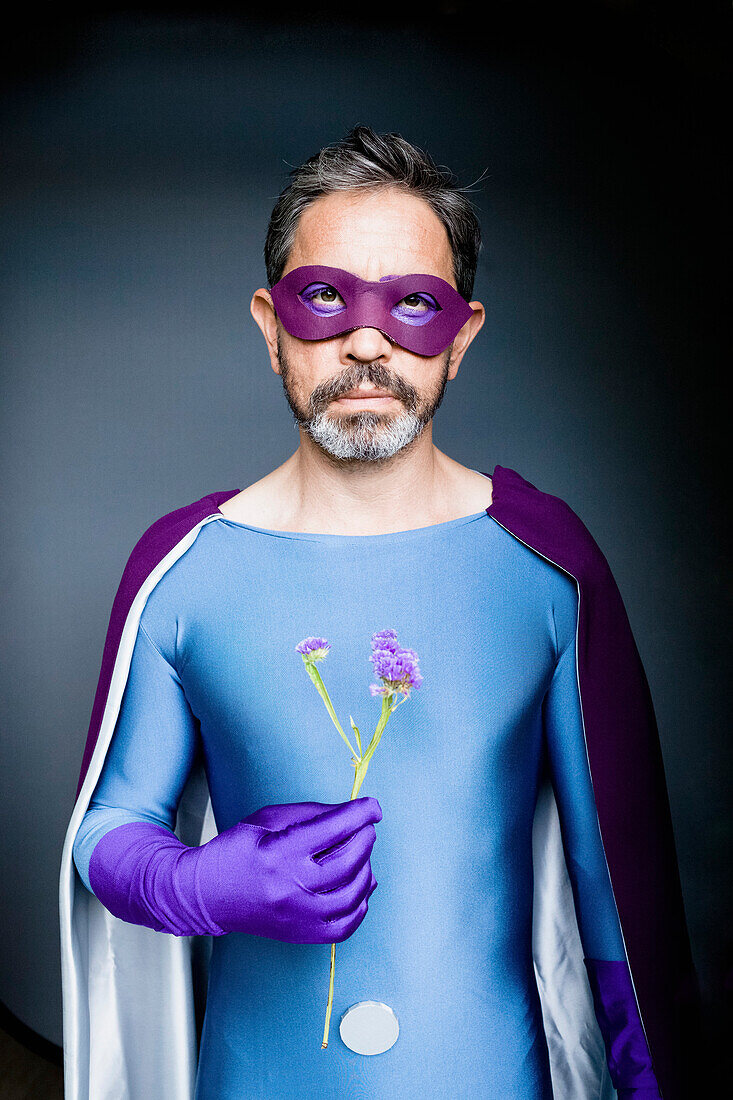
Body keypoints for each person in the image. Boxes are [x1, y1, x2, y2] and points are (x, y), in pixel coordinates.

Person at [59, 125, 700, 1099]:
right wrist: (188, 882)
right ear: (271, 325)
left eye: (411, 302)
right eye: (325, 297)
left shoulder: (542, 567)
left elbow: (613, 884)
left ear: (462, 335)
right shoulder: (183, 573)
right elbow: (110, 823)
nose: (366, 340)